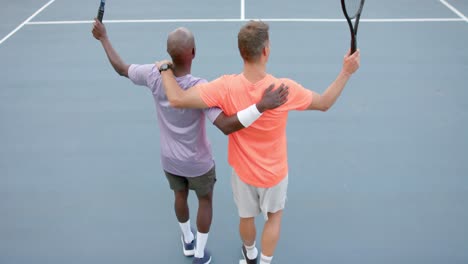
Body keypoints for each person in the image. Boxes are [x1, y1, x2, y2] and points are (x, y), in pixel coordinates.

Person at [156, 20, 360, 264]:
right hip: (275, 174)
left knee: (246, 218)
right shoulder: (285, 89)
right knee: (273, 218)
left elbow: (177, 99)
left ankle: (250, 254)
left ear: (241, 52)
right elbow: (325, 102)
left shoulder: (224, 87)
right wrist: (346, 71)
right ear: (266, 51)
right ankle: (264, 262)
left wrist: (165, 69)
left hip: (243, 173)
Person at [91, 19, 289, 264]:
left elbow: (121, 68)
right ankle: (199, 254)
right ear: (193, 53)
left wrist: (104, 38)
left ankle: (187, 239)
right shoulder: (199, 88)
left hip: (170, 160)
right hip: (199, 163)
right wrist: (260, 106)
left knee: (179, 196)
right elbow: (226, 125)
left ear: (169, 53)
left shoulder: (155, 73)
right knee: (205, 202)